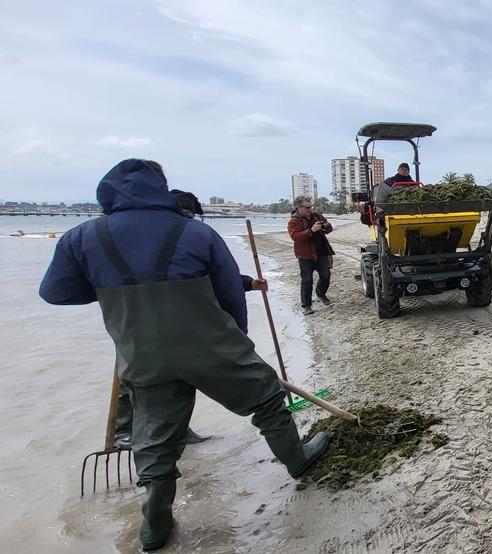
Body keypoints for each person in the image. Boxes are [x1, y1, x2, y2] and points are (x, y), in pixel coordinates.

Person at [39, 159, 329, 551]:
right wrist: (235, 346)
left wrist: (115, 288)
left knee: (155, 436)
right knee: (266, 398)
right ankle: (298, 461)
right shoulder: (196, 233)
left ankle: (155, 525)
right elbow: (229, 293)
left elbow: (56, 292)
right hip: (210, 345)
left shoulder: (82, 237)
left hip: (141, 354)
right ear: (159, 186)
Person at [114, 189, 270, 449]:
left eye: (189, 215)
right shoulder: (143, 239)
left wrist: (247, 283)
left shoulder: (186, 238)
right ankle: (125, 431)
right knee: (137, 380)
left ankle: (176, 431)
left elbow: (215, 279)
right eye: (185, 214)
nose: (188, 220)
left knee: (178, 381)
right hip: (140, 324)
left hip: (179, 326)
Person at [287, 196, 335, 315]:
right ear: (298, 207)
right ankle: (306, 305)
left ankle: (320, 294)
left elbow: (329, 227)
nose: (310, 209)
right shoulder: (293, 221)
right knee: (307, 280)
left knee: (326, 276)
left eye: (311, 207)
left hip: (321, 252)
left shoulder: (316, 215)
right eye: (307, 207)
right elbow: (295, 237)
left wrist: (324, 226)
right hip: (305, 255)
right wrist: (311, 231)